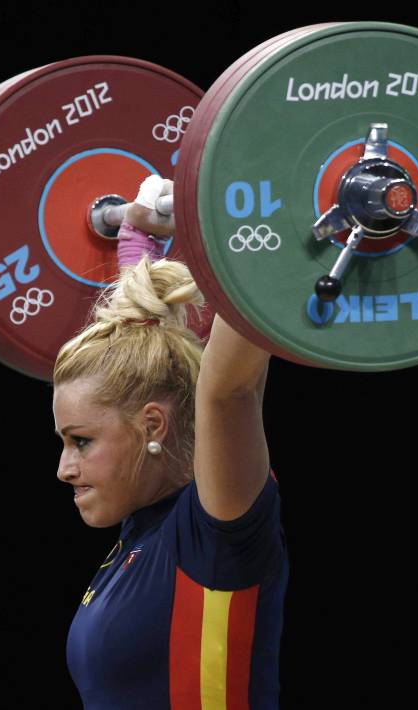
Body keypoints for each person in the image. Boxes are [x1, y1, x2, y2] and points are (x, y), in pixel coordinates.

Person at [53, 175, 287, 709]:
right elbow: (143, 334)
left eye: (81, 442)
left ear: (153, 426)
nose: (64, 468)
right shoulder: (141, 527)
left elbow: (229, 391)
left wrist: (246, 228)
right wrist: (139, 239)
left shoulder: (215, 534)